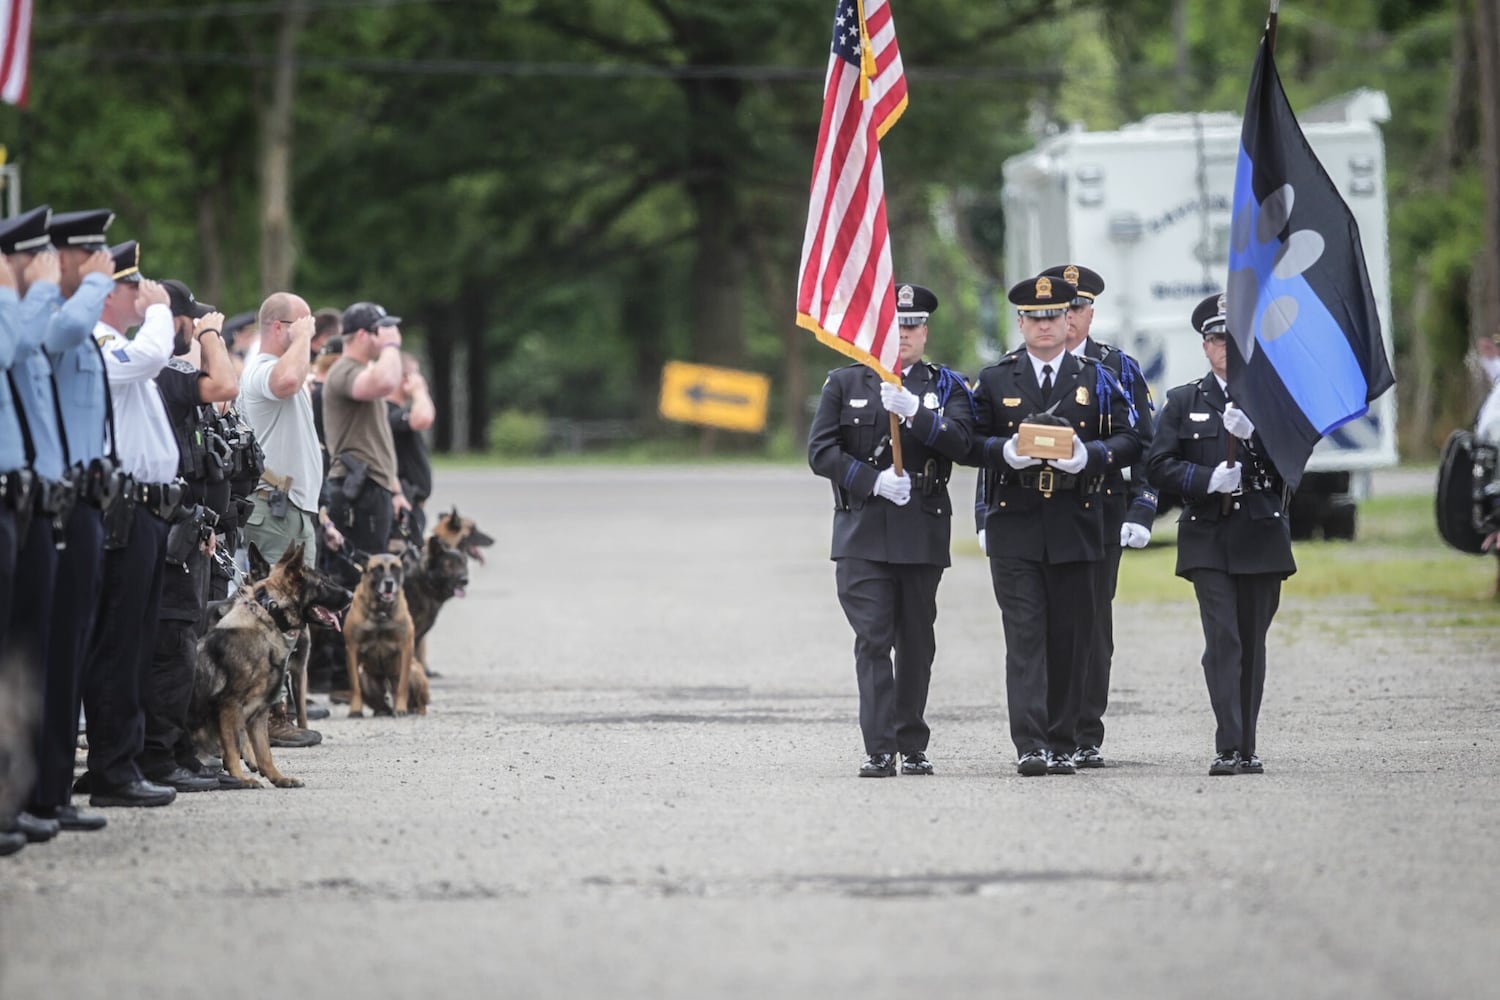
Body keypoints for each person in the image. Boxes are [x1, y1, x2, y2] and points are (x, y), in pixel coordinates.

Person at [965, 274, 1138, 777]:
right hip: (1015, 524)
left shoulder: (1097, 378)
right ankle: (1031, 743)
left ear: (1070, 320)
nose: (1044, 325)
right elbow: (964, 441)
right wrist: (1005, 453)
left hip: (1076, 522)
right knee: (1025, 637)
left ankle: (1063, 740)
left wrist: (1091, 456)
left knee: (1071, 636)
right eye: (1034, 317)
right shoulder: (996, 380)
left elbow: (1132, 439)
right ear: (1020, 323)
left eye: (1053, 316)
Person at [807, 282, 976, 777]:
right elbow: (821, 452)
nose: (903, 334)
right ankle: (879, 746)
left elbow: (964, 446)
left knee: (917, 641)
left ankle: (912, 741)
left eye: (913, 325)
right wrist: (873, 479)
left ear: (926, 331)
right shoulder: (844, 383)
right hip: (861, 531)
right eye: (894, 325)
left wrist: (918, 415)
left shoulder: (947, 387)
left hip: (921, 529)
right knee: (873, 637)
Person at [1144, 293, 1295, 776]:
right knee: (1223, 640)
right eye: (1214, 339)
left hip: (1260, 531)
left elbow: (1297, 471)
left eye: (1232, 338)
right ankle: (1228, 744)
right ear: (1204, 347)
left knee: (1252, 641)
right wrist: (1205, 480)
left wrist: (1257, 436)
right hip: (1207, 532)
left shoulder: (1274, 399)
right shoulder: (1183, 400)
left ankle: (1247, 744)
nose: (1223, 347)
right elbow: (1158, 466)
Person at [77, 218, 185, 809]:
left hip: (147, 510)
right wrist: (163, 311)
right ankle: (114, 768)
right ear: (110, 292)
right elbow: (149, 357)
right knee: (120, 642)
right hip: (125, 508)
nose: (139, 296)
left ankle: (124, 759)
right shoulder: (100, 342)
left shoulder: (117, 346)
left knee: (136, 641)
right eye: (133, 287)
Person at [1040, 263, 1157, 768]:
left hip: (1101, 509)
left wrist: (1143, 506)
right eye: (1061, 309)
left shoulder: (1117, 368)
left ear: (1091, 312)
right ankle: (1044, 727)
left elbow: (1147, 444)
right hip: (1040, 511)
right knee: (1039, 621)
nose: (1070, 318)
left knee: (1090, 622)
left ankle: (1085, 730)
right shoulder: (1020, 365)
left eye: (1079, 308)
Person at [139, 277, 237, 792]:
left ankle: (174, 749)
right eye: (192, 319)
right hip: (170, 535)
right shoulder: (165, 372)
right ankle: (157, 755)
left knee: (182, 640)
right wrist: (211, 337)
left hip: (189, 530)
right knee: (173, 644)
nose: (199, 327)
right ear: (173, 319)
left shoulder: (171, 374)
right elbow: (226, 384)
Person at [236, 292, 338, 746]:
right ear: (279, 328)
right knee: (275, 614)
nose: (311, 332)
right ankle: (269, 713)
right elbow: (287, 380)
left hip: (293, 508)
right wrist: (303, 340)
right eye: (302, 324)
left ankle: (277, 709)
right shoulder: (261, 369)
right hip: (274, 510)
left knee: (294, 615)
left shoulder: (283, 368)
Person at [323, 301, 408, 568]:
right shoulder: (344, 370)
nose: (387, 335)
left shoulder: (363, 371)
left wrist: (395, 490)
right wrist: (391, 346)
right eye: (379, 331)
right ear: (361, 335)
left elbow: (378, 436)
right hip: (357, 489)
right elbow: (385, 383)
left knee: (372, 571)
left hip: (373, 487)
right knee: (360, 575)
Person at [387, 349, 435, 539]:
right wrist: (420, 392)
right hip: (403, 503)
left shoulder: (395, 411)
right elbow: (423, 419)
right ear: (404, 378)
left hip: (412, 503)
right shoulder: (388, 411)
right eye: (415, 374)